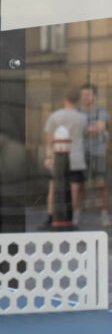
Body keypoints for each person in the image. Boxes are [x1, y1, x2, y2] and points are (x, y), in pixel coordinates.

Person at [43, 87, 87, 228]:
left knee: (53, 187)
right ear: (78, 100)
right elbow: (84, 134)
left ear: (64, 98)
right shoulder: (82, 118)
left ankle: (51, 216)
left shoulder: (55, 116)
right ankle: (70, 217)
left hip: (58, 157)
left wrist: (49, 156)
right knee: (73, 189)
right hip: (76, 157)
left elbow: (48, 139)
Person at [79, 83, 110, 227]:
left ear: (95, 96)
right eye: (83, 95)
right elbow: (75, 131)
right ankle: (76, 214)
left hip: (98, 152)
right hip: (81, 152)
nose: (85, 97)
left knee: (101, 184)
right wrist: (89, 129)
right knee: (78, 184)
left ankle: (104, 215)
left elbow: (99, 128)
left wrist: (84, 129)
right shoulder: (78, 111)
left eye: (88, 95)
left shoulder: (101, 112)